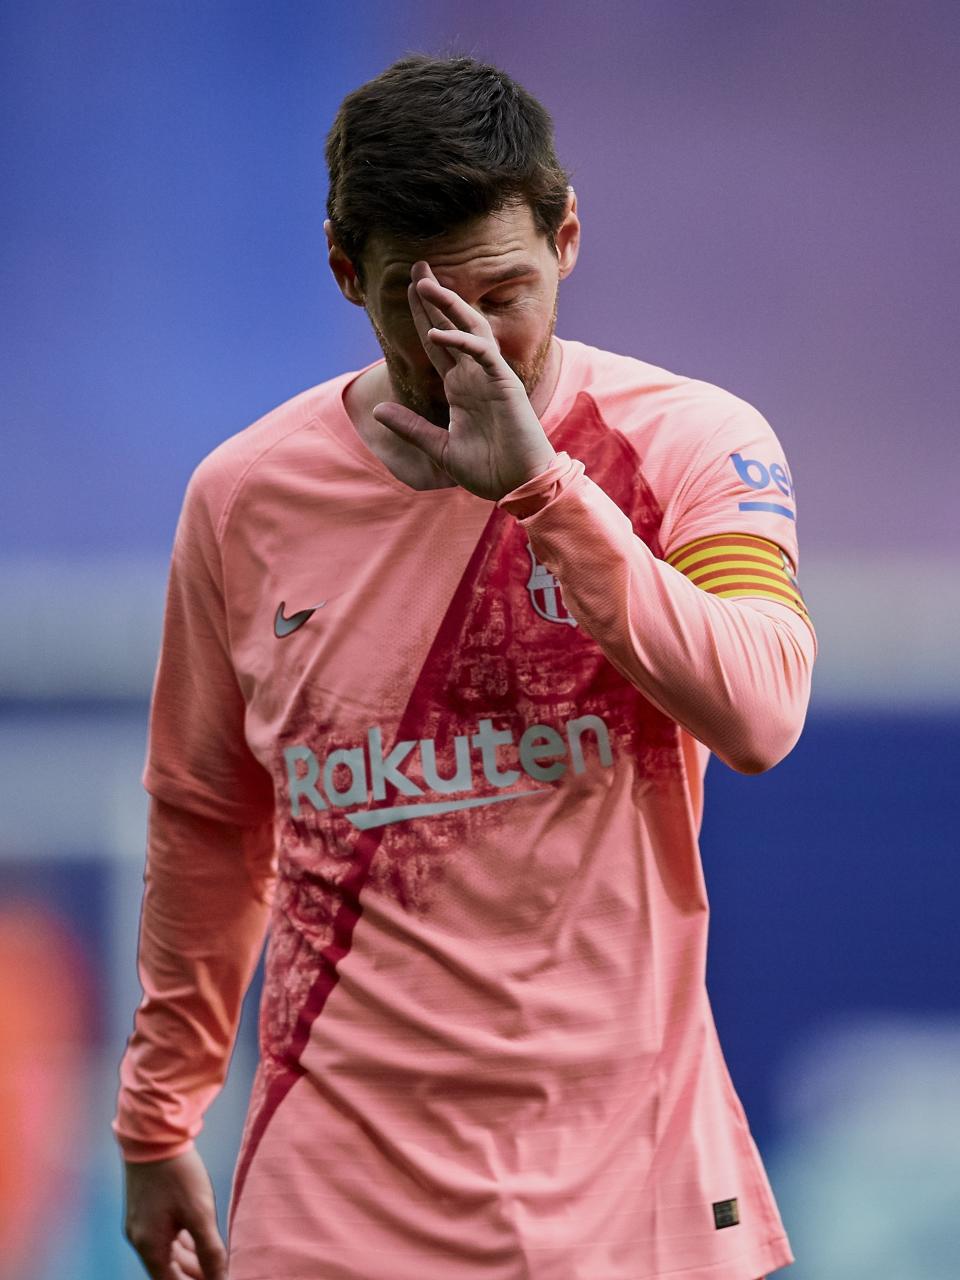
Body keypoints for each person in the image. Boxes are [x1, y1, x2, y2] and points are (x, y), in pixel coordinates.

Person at [114, 53, 814, 1280]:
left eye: (505, 292)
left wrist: (546, 494)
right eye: (418, 303)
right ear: (344, 271)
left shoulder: (690, 442)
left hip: (630, 1185)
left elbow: (762, 710)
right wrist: (158, 1110)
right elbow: (209, 822)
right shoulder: (243, 497)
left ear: (570, 238)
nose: (471, 344)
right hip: (336, 1190)